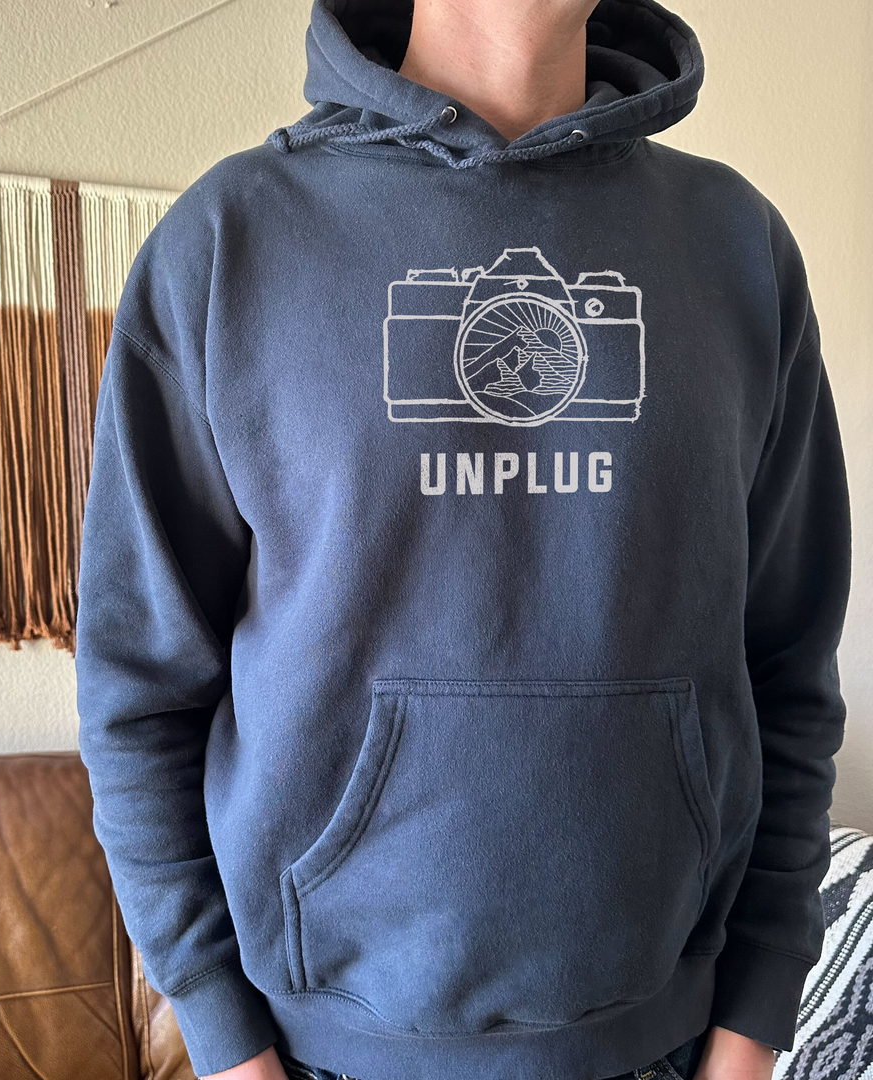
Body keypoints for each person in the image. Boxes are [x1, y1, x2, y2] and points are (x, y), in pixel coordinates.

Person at [73, 0, 852, 1077]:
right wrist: (224, 1036)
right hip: (328, 1051)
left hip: (667, 1040)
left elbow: (791, 667)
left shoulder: (735, 246)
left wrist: (756, 1015)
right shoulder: (229, 242)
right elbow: (137, 692)